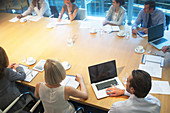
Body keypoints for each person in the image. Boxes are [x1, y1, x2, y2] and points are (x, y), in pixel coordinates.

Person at [0, 47, 26, 111]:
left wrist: (7, 68)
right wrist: (18, 68)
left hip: (2, 105)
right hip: (14, 103)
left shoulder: (5, 71)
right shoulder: (6, 72)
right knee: (28, 87)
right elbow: (22, 76)